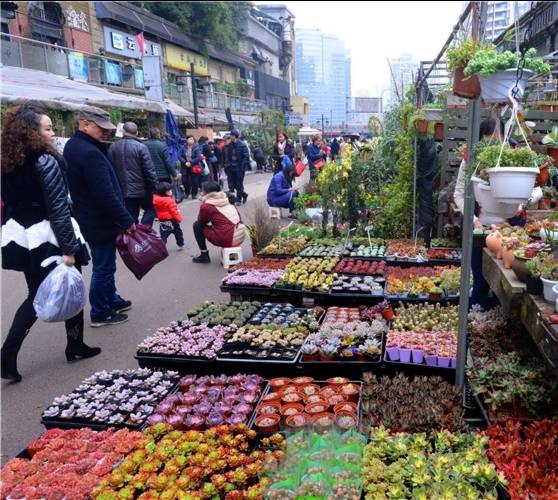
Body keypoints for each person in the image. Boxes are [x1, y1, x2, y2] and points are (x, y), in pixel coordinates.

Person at [1, 105, 101, 382]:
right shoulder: (45, 160)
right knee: (71, 283)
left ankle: (72, 344)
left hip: (22, 234)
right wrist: (69, 249)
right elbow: (58, 208)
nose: (53, 133)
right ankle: (68, 344)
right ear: (32, 133)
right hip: (51, 234)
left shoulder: (8, 159)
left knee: (35, 292)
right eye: (47, 128)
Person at [64, 105, 135, 328]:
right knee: (104, 266)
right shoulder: (89, 152)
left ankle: (111, 299)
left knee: (106, 264)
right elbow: (104, 194)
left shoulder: (74, 146)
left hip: (90, 216)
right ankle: (100, 311)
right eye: (100, 128)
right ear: (85, 124)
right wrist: (125, 219)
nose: (105, 132)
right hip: (98, 219)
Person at [453, 117, 526, 309]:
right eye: (488, 139)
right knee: (480, 279)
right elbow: (459, 194)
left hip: (510, 232)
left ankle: (496, 319)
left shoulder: (515, 156)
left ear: (504, 138)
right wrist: (474, 219)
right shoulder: (471, 159)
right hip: (481, 230)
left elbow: (528, 191)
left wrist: (519, 206)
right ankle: (477, 315)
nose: (494, 144)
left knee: (506, 285)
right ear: (480, 139)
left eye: (498, 139)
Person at [109, 122, 157, 226]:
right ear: (137, 132)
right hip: (141, 189)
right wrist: (154, 186)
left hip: (122, 189)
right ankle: (144, 229)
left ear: (123, 132)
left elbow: (110, 168)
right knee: (151, 208)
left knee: (131, 215)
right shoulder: (141, 147)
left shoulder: (113, 147)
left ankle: (134, 237)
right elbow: (149, 169)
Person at [192, 181, 247, 263]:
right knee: (220, 225)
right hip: (240, 234)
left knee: (196, 225)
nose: (200, 192)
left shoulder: (207, 206)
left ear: (207, 193)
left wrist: (203, 203)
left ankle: (204, 255)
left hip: (227, 237)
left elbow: (201, 222)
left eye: (202, 190)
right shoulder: (226, 199)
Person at [152, 182, 184, 250]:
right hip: (172, 219)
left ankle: (162, 246)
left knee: (163, 234)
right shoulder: (169, 201)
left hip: (162, 219)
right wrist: (179, 219)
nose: (171, 191)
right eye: (170, 190)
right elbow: (174, 211)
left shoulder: (155, 200)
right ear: (166, 192)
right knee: (178, 232)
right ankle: (180, 244)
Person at [225, 128, 249, 205]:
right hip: (231, 168)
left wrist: (242, 168)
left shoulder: (242, 145)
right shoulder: (229, 145)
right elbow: (227, 156)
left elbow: (246, 157)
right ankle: (244, 194)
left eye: (231, 135)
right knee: (233, 184)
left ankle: (238, 200)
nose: (230, 137)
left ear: (235, 136)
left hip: (239, 168)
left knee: (239, 184)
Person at [179, 135, 199, 199]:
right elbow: (179, 156)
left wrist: (190, 162)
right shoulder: (183, 147)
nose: (190, 140)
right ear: (187, 140)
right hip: (185, 166)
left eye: (192, 139)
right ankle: (187, 193)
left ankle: (194, 194)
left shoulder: (197, 147)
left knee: (194, 181)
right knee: (185, 180)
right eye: (189, 139)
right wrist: (185, 162)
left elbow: (198, 157)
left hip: (193, 165)